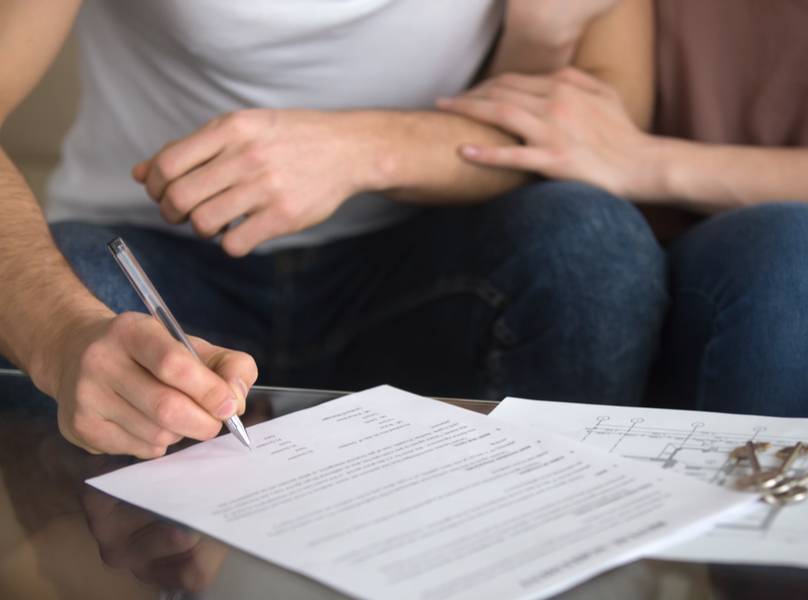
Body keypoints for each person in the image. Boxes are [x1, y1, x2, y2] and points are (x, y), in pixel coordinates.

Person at [0, 0, 665, 458]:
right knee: (54, 320)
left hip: (424, 266)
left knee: (591, 245)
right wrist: (58, 335)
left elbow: (608, 123)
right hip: (153, 265)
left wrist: (365, 149)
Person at [439, 0, 808, 425]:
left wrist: (646, 163)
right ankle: (774, 572)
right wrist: (540, 35)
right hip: (705, 262)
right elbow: (556, 123)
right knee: (802, 250)